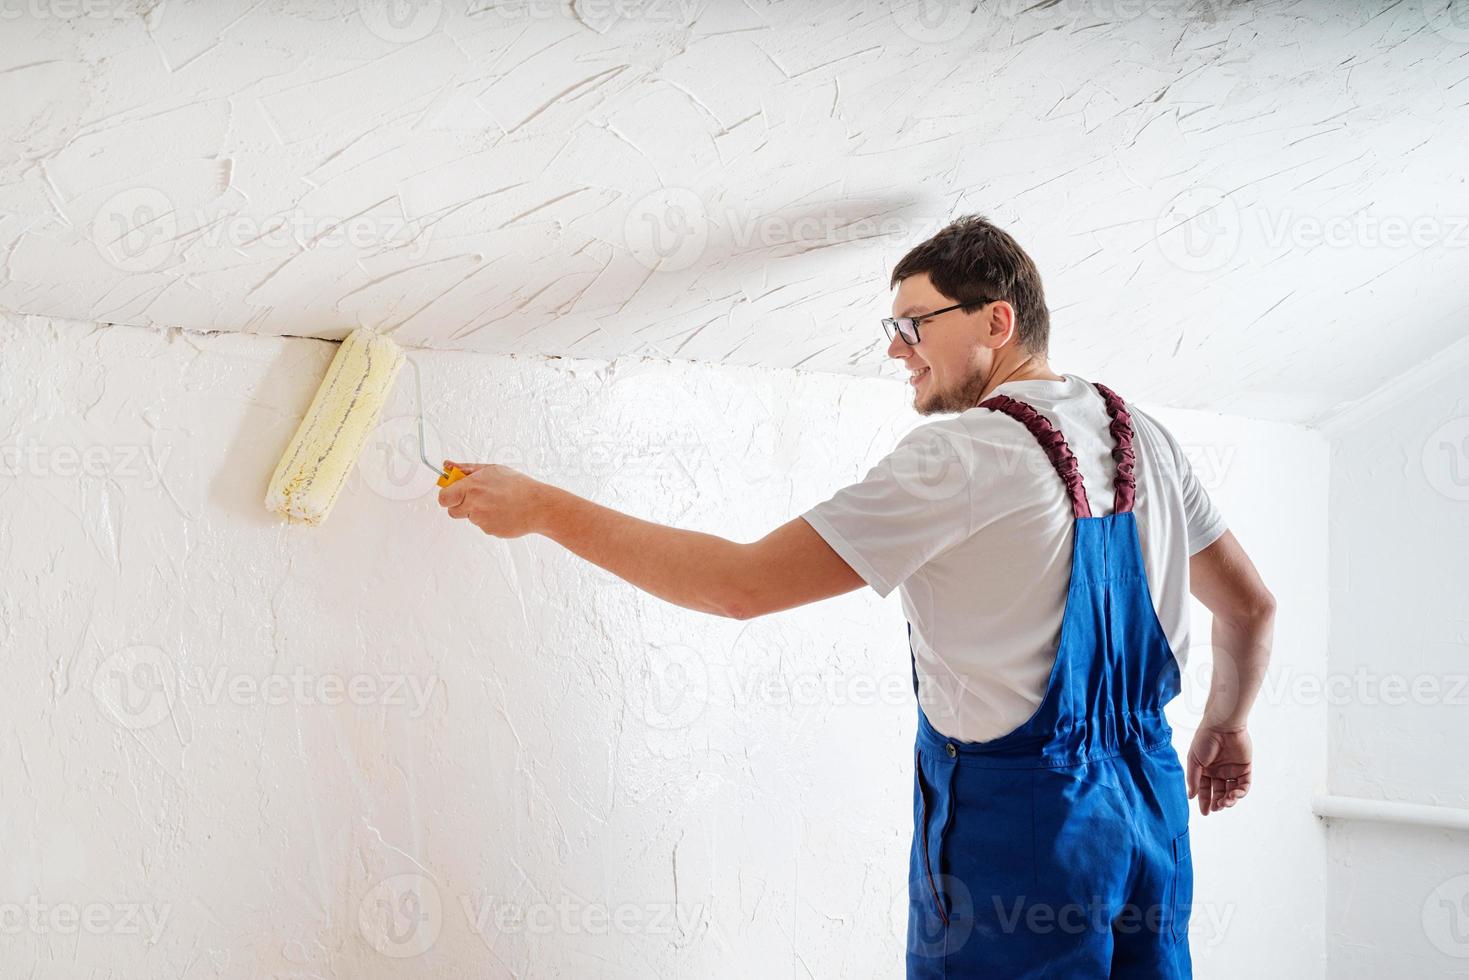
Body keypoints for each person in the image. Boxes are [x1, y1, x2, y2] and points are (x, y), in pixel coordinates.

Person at [437, 214, 1276, 977]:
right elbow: (1248, 606)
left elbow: (740, 587)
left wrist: (543, 508)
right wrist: (1227, 725)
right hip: (1148, 814)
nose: (895, 348)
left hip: (1018, 834)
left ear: (997, 321)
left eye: (915, 324)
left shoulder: (960, 455)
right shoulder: (1143, 436)